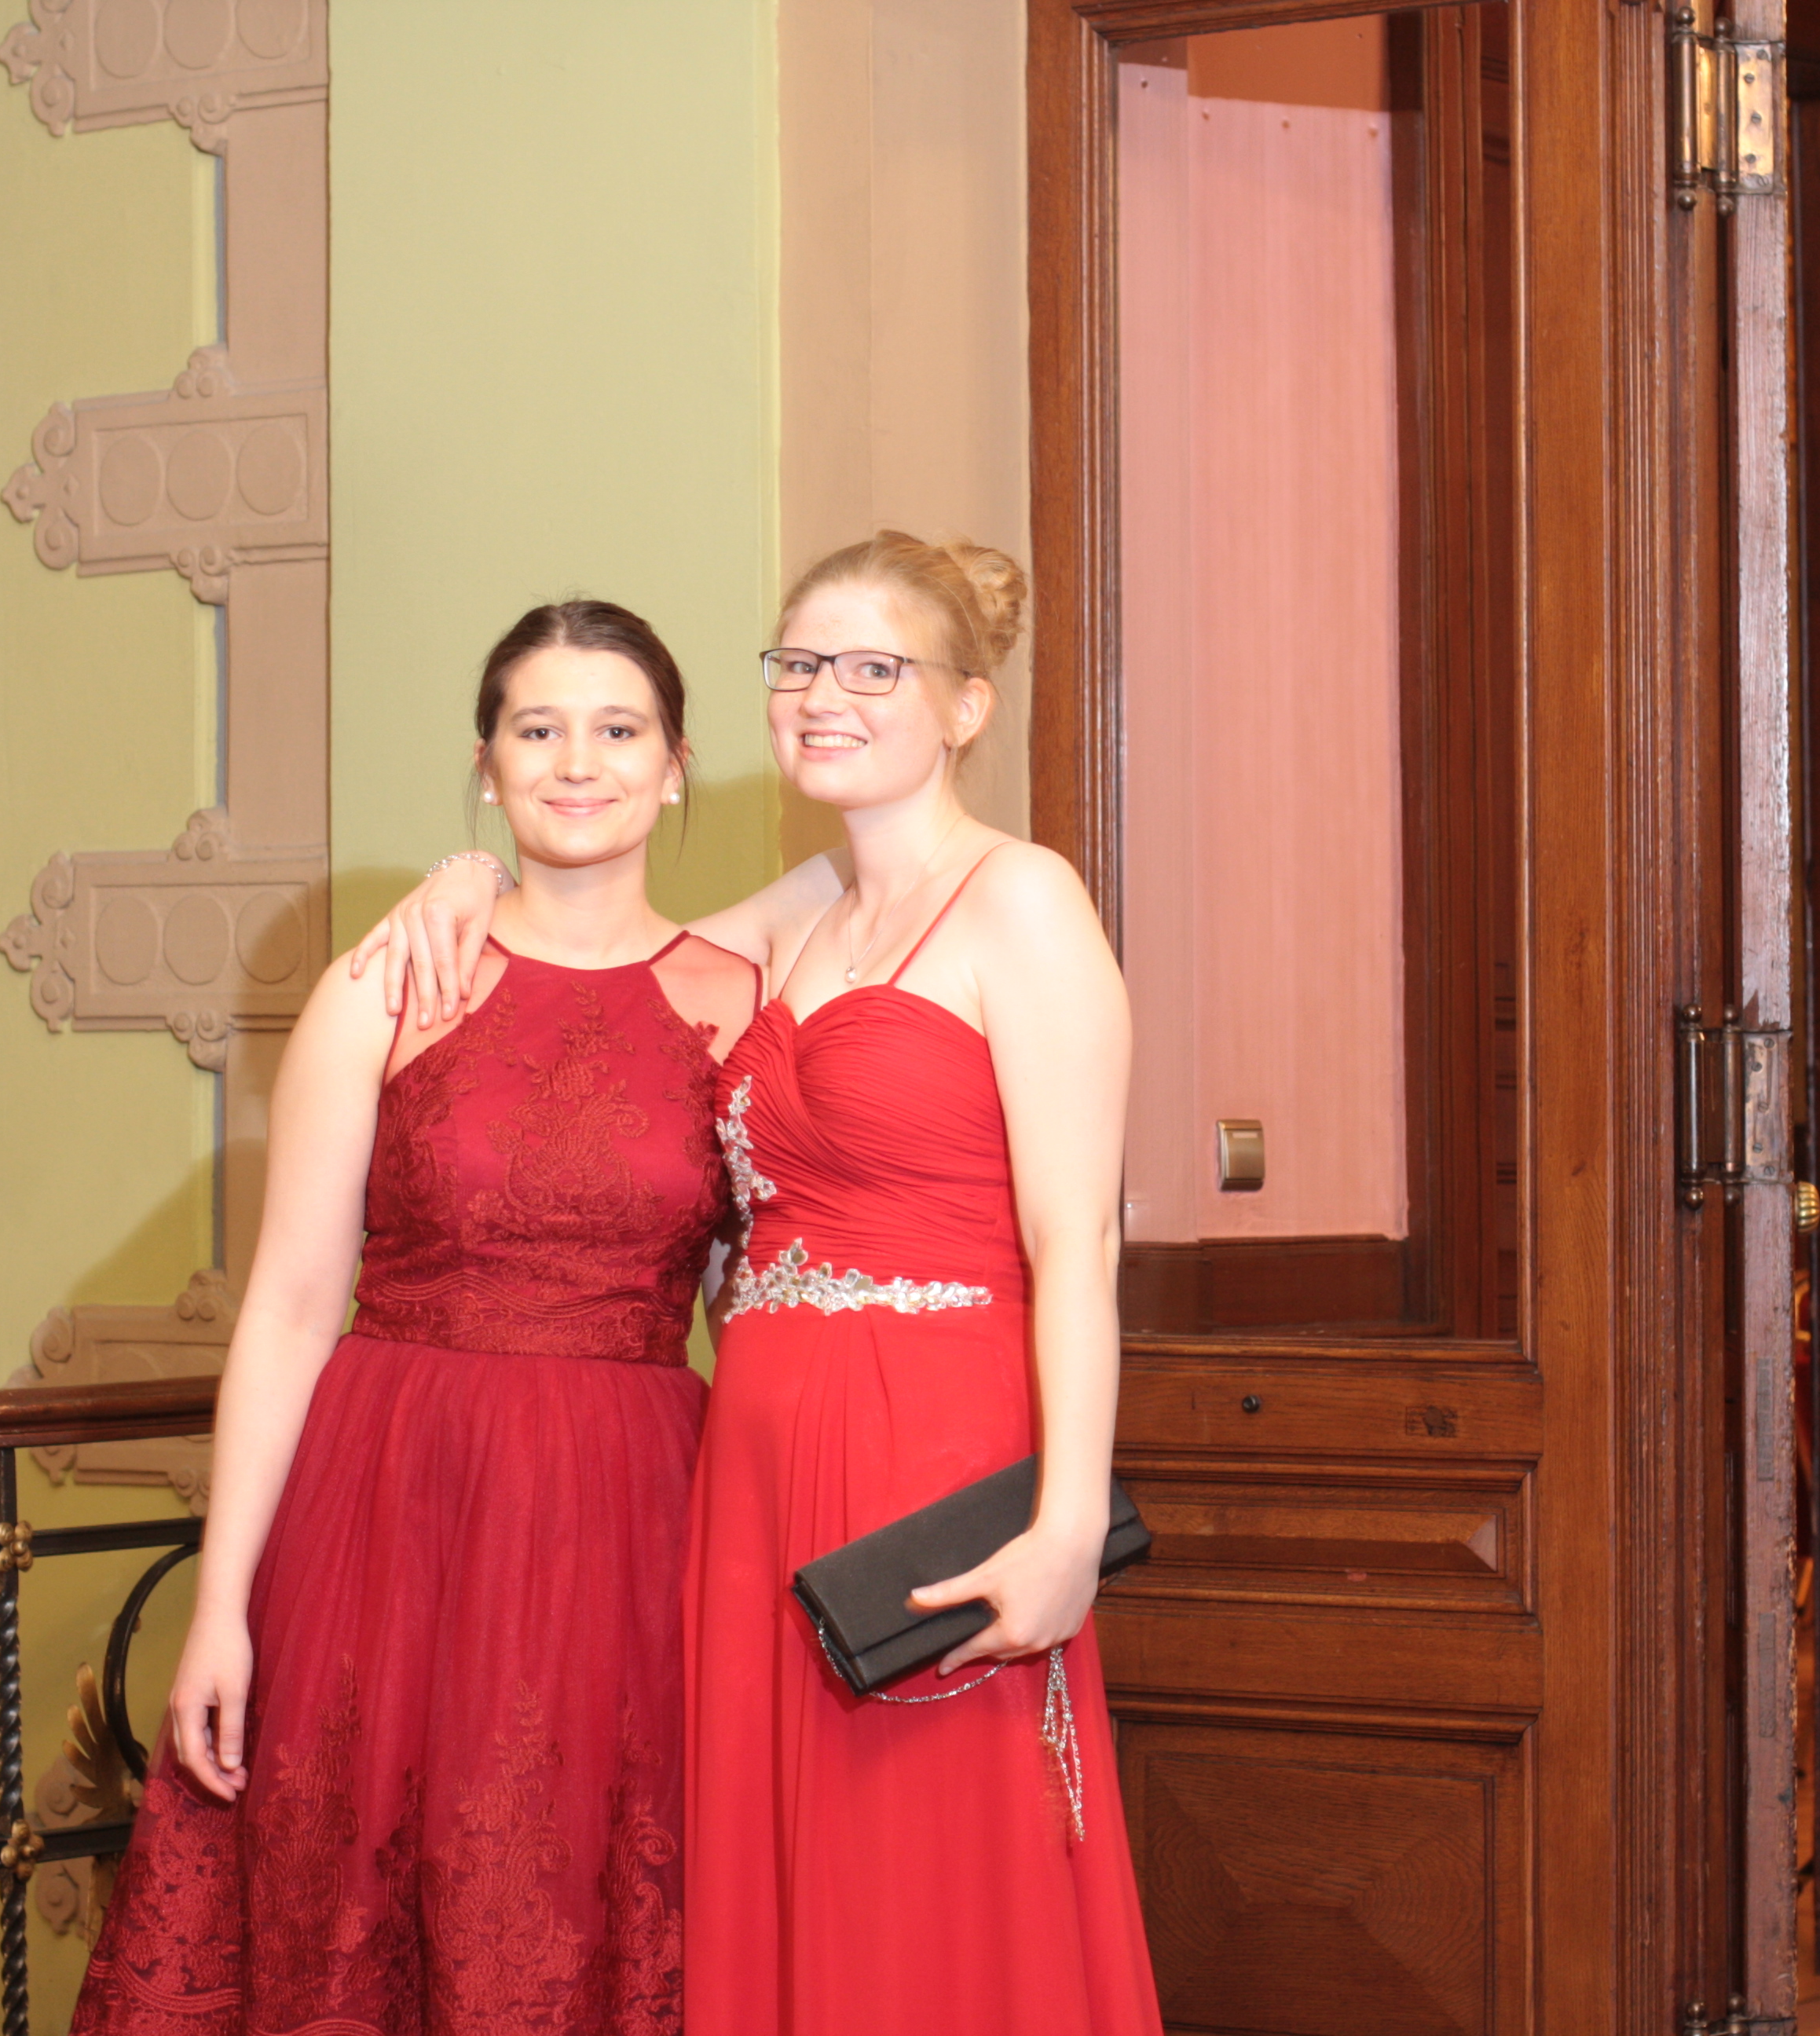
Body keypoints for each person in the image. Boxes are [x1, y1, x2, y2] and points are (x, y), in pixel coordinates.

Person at [355, 533, 1168, 2034]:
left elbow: (1078, 1240)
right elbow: (587, 956)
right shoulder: (792, 911)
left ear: (966, 706)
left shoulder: (1024, 900)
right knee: (774, 1870)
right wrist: (465, 873)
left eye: (872, 667)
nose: (822, 695)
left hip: (934, 1440)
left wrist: (1064, 1524)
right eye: (798, 664)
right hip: (752, 1458)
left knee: (926, 1868)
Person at [71, 602, 760, 2036]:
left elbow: (755, 1311)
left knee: (584, 1905)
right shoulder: (382, 986)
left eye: (618, 728)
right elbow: (287, 1309)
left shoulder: (746, 1007)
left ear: (677, 763)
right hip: (390, 1513)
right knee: (353, 1909)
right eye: (537, 728)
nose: (578, 762)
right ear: (486, 764)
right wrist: (220, 1605)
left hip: (629, 1529)